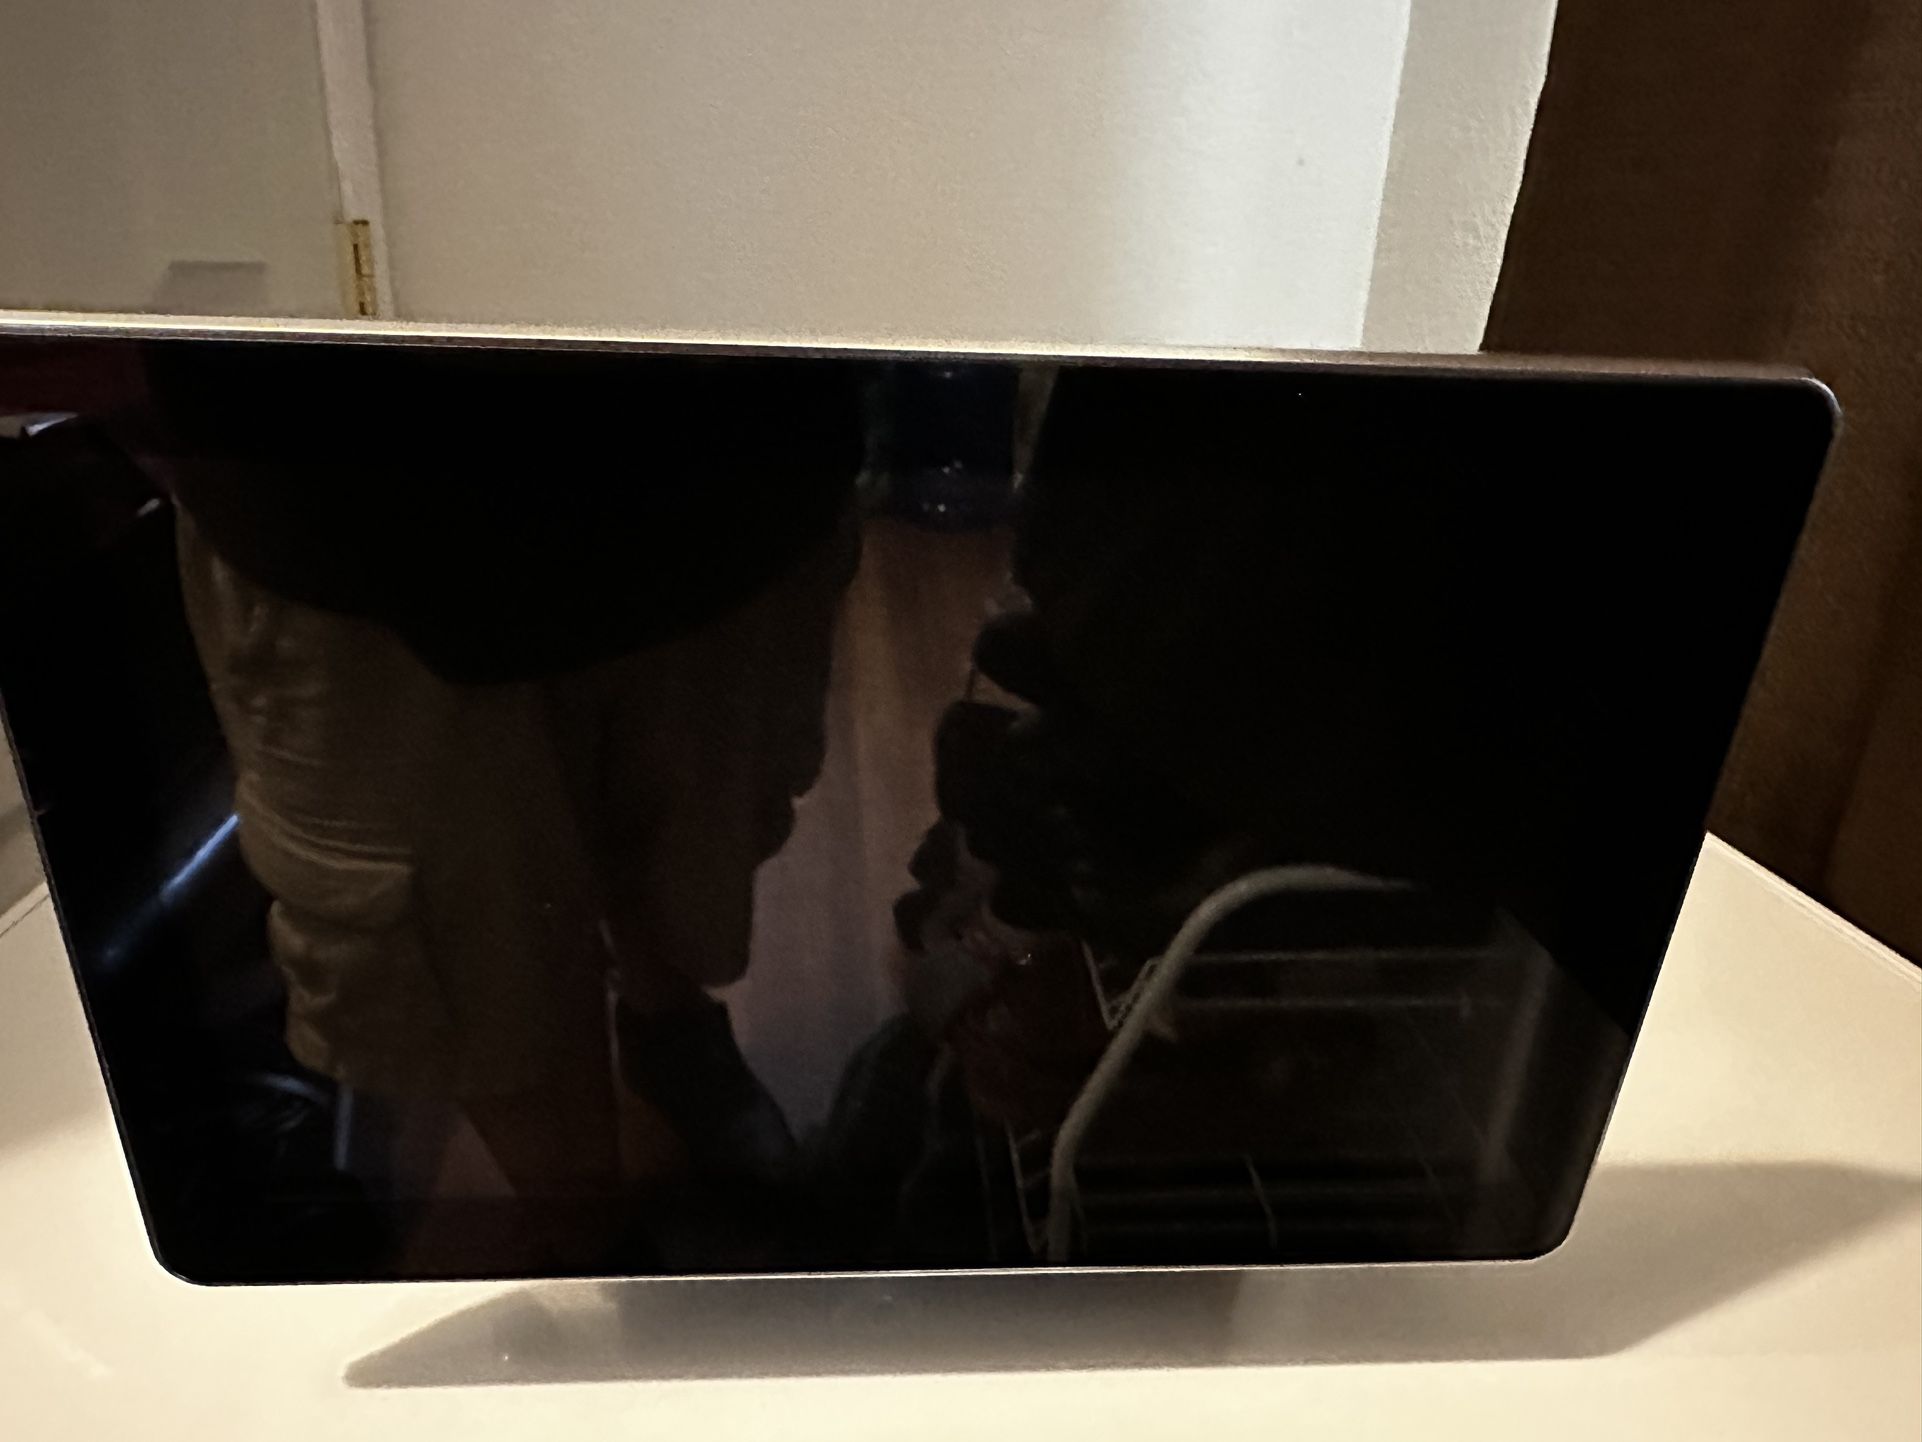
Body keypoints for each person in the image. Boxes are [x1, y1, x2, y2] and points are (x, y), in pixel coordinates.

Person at [147, 341, 862, 1260]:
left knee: (686, 842)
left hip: (730, 462)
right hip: (353, 501)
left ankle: (673, 1036)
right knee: (463, 954)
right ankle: (584, 1224)